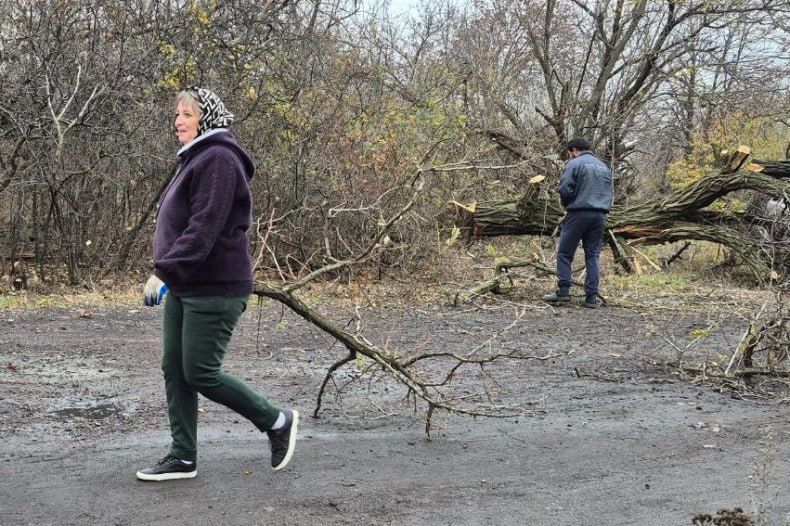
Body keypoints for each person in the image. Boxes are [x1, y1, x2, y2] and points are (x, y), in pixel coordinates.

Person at [136, 87, 298, 481]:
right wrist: (174, 275)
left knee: (201, 371)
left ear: (206, 118)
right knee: (175, 369)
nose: (178, 120)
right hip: (188, 285)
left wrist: (166, 270)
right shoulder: (198, 158)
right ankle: (183, 456)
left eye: (187, 114)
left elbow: (204, 227)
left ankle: (276, 421)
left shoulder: (220, 159)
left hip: (216, 287)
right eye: (177, 114)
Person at [543, 138, 613, 308]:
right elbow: (609, 191)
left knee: (565, 253)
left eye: (570, 153)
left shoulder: (575, 163)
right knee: (593, 255)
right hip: (600, 215)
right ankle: (591, 298)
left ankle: (564, 293)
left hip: (578, 213)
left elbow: (564, 188)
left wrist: (567, 204)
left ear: (574, 150)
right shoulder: (603, 166)